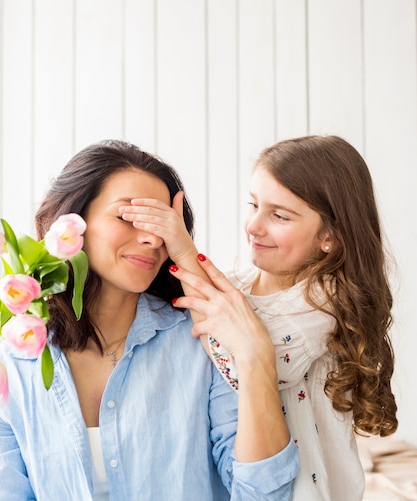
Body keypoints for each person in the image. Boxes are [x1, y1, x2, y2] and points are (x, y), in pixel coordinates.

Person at [0, 139, 299, 500]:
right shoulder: (9, 363)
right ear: (72, 223)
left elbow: (261, 492)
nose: (152, 238)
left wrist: (256, 355)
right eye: (127, 217)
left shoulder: (200, 344)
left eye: (163, 223)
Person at [120, 134, 398, 501]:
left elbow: (243, 362)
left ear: (329, 236)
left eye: (279, 215)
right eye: (253, 204)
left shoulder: (325, 302)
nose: (254, 225)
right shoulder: (236, 287)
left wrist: (184, 251)